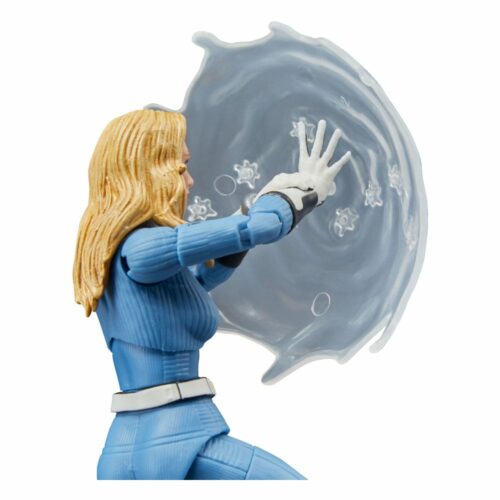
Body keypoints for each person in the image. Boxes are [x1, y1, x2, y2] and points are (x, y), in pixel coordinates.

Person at [73, 108, 350, 479]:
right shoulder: (143, 248)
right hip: (177, 438)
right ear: (150, 172)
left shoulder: (127, 254)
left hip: (137, 441)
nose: (189, 181)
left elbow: (196, 279)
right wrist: (300, 192)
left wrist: (257, 206)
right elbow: (262, 226)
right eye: (180, 167)